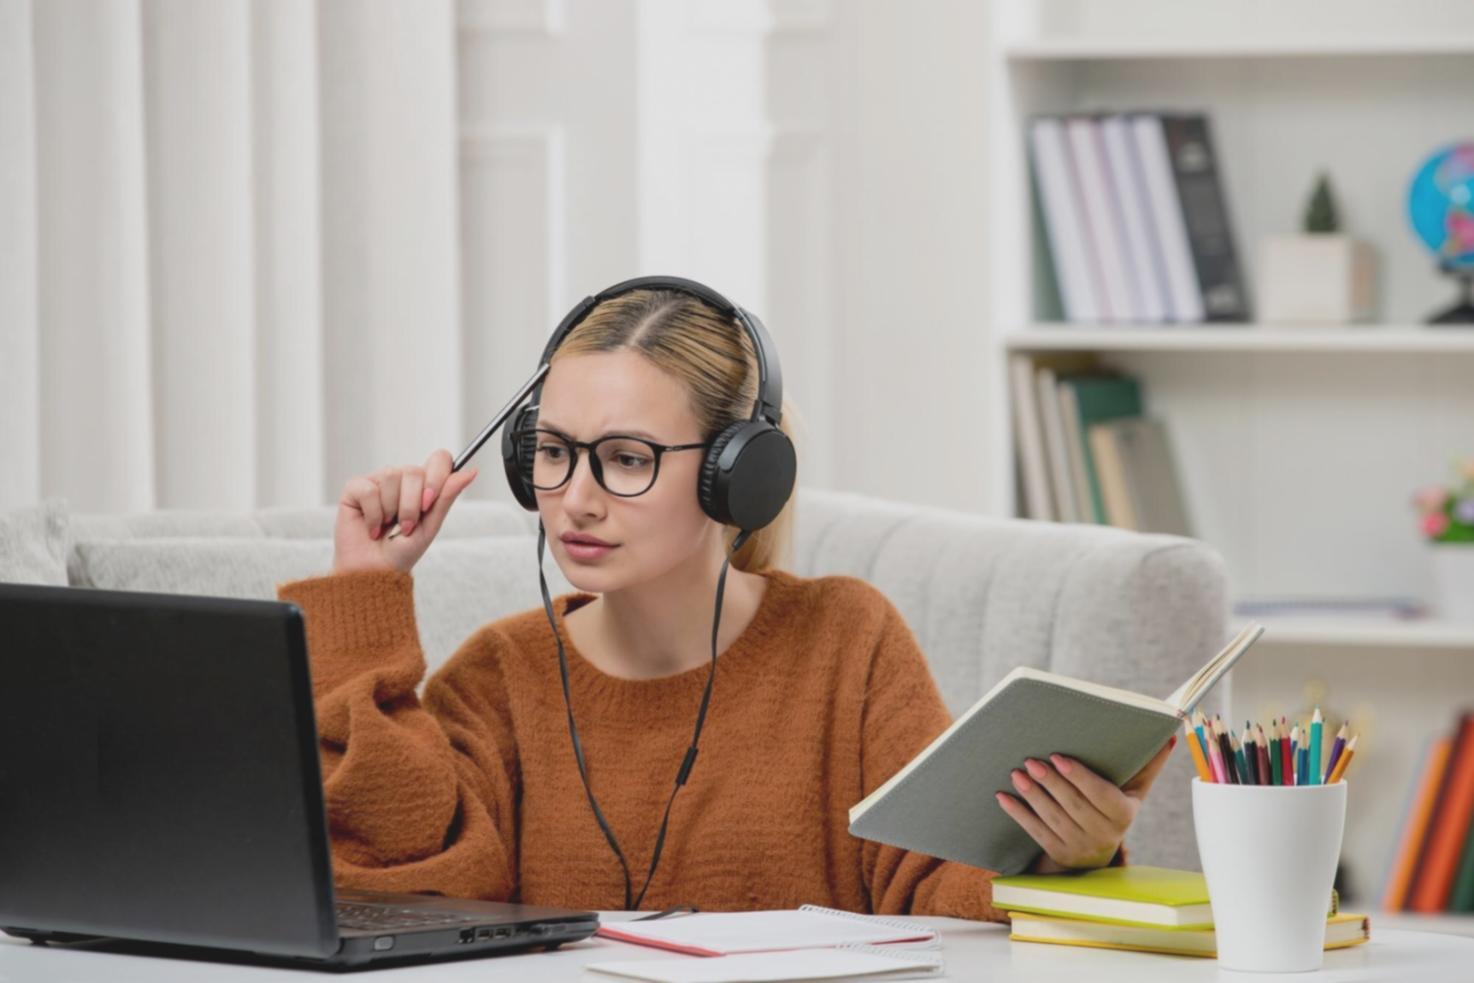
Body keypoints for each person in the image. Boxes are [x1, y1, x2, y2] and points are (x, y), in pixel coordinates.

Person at [276, 285, 1174, 921]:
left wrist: (1061, 853)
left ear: (737, 476)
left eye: (626, 459)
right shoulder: (497, 678)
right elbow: (397, 888)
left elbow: (935, 889)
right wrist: (367, 591)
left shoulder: (845, 642)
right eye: (552, 451)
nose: (575, 498)